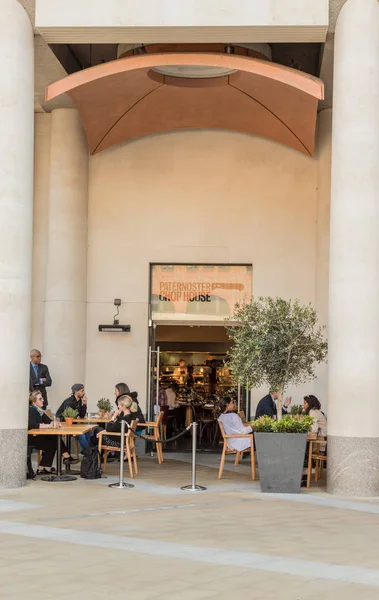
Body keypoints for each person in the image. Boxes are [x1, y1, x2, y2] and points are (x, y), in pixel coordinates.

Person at [28, 390, 78, 473]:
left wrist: (55, 423)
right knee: (53, 443)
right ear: (34, 402)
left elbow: (49, 421)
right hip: (32, 437)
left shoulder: (40, 411)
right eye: (40, 399)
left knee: (54, 439)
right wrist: (48, 426)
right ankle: (66, 456)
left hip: (39, 436)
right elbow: (32, 425)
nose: (43, 400)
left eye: (42, 398)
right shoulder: (32, 410)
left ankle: (41, 469)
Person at [56, 384, 91, 449]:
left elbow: (81, 415)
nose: (84, 392)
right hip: (64, 425)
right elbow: (64, 417)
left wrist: (84, 404)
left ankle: (90, 451)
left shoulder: (79, 401)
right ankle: (90, 453)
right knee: (81, 435)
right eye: (82, 391)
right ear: (76, 392)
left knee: (88, 431)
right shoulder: (69, 402)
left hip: (73, 424)